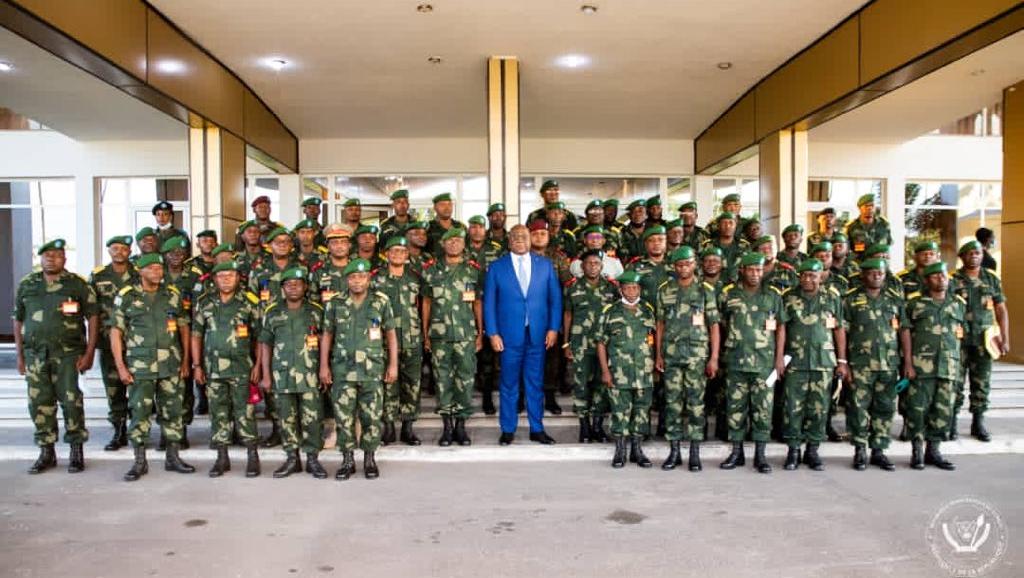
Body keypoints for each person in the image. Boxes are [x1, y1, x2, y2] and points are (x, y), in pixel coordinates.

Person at [15, 239, 98, 474]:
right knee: (39, 404)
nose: (52, 259)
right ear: (40, 258)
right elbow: (18, 319)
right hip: (36, 355)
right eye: (47, 255)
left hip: (69, 356)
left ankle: (76, 450)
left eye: (57, 255)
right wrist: (20, 356)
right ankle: (46, 452)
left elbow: (93, 317)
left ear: (65, 259)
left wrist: (89, 352)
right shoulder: (27, 284)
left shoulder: (77, 285)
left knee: (72, 403)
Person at [110, 253, 194, 481]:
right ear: (140, 271)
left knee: (173, 411)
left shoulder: (172, 295)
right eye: (152, 268)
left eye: (159, 268)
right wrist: (121, 367)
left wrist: (185, 360)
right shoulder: (127, 296)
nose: (158, 272)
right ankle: (139, 461)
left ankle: (173, 457)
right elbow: (116, 332)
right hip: (140, 366)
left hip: (170, 364)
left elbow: (184, 327)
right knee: (140, 413)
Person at [320, 258, 399, 480]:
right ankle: (347, 461)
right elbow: (327, 335)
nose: (357, 281)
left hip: (372, 369)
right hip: (343, 370)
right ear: (347, 279)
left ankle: (369, 459)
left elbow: (390, 334)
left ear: (368, 279)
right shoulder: (335, 303)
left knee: (371, 417)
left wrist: (393, 364)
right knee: (343, 418)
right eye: (353, 277)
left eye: (361, 277)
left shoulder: (381, 301)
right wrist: (324, 366)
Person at [484, 224, 562, 446]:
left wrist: (553, 328)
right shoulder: (497, 267)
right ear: (509, 241)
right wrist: (493, 333)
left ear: (530, 240)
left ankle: (537, 429)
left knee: (535, 384)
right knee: (508, 384)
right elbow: (489, 303)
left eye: (524, 236)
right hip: (508, 336)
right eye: (515, 236)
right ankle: (508, 429)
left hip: (538, 335)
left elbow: (555, 300)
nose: (520, 239)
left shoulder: (545, 265)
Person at [191, 260, 262, 477]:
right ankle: (222, 458)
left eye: (230, 275)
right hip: (213, 370)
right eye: (221, 276)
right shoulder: (205, 302)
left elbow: (260, 337)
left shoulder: (248, 302)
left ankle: (252, 457)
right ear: (214, 279)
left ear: (238, 278)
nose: (226, 279)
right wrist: (197, 365)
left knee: (245, 413)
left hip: (242, 368)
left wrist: (258, 364)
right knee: (218, 413)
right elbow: (196, 335)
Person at [718, 253, 787, 474]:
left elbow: (781, 327)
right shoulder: (728, 294)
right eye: (751, 269)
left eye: (759, 269)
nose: (755, 273)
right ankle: (736, 453)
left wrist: (779, 358)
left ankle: (760, 455)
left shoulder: (773, 295)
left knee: (763, 409)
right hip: (736, 361)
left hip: (764, 363)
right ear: (742, 270)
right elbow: (720, 324)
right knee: (735, 409)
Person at [655, 246, 720, 471]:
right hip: (672, 355)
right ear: (674, 267)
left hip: (696, 356)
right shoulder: (665, 290)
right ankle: (674, 452)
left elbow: (714, 325)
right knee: (672, 403)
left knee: (696, 404)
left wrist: (714, 357)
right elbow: (660, 324)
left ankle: (694, 451)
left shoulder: (705, 290)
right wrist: (658, 354)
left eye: (688, 264)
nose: (684, 268)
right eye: (680, 265)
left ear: (695, 264)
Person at [258, 266, 327, 479]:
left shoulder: (316, 311)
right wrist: (266, 375)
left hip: (309, 374)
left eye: (298, 284)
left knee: (312, 419)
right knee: (286, 418)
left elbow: (326, 341)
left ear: (305, 287)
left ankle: (313, 459)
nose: (294, 288)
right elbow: (265, 344)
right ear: (283, 288)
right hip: (282, 375)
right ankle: (292, 459)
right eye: (289, 285)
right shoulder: (272, 312)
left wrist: (324, 368)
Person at [779, 259, 846, 471]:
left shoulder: (832, 297)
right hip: (795, 362)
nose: (808, 279)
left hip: (823, 362)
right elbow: (781, 328)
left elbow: (839, 329)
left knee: (819, 408)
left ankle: (812, 450)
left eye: (813, 275)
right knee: (792, 407)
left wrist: (842, 361)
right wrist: (779, 358)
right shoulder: (788, 297)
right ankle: (793, 451)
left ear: (820, 276)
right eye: (804, 275)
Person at [840, 257, 905, 471]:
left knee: (885, 408)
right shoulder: (850, 299)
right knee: (858, 408)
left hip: (888, 364)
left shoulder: (895, 299)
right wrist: (844, 362)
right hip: (860, 364)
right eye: (872, 272)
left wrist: (906, 361)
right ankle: (860, 449)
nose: (877, 276)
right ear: (863, 275)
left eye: (881, 273)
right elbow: (842, 332)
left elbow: (903, 330)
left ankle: (879, 450)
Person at [423, 227, 483, 446]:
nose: (454, 244)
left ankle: (461, 426)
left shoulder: (472, 270)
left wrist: (480, 333)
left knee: (465, 379)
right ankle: (447, 427)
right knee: (442, 380)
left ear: (464, 244)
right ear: (443, 244)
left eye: (458, 240)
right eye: (449, 241)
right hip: (439, 336)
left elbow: (477, 303)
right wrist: (425, 333)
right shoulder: (431, 270)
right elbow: (426, 303)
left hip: (465, 334)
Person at [902, 262, 964, 471]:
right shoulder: (915, 304)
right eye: (935, 276)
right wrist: (908, 363)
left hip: (949, 366)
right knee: (918, 409)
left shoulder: (957, 304)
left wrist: (959, 365)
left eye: (943, 275)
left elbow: (962, 335)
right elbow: (905, 332)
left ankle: (934, 451)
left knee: (942, 410)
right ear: (927, 280)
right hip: (922, 367)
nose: (941, 279)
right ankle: (917, 450)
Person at [597, 270, 656, 468]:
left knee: (641, 411)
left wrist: (656, 364)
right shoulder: (610, 312)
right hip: (619, 372)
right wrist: (605, 371)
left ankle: (637, 450)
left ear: (639, 289)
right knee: (619, 411)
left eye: (635, 288)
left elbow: (655, 339)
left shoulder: (648, 310)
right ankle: (620, 451)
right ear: (621, 290)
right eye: (627, 288)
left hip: (643, 371)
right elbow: (601, 343)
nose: (631, 291)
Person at [951, 240, 1009, 442]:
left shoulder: (991, 278)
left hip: (984, 340)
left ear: (982, 255)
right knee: (955, 383)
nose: (974, 256)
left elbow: (1001, 309)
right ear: (962, 257)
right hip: (959, 340)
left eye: (977, 253)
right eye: (970, 253)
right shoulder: (952, 279)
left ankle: (978, 422)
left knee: (981, 383)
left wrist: (1005, 338)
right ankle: (952, 422)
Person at [372, 237, 425, 444]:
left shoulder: (415, 277)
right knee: (388, 383)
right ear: (386, 254)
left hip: (412, 338)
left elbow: (422, 305)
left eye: (402, 251)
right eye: (393, 251)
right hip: (385, 341)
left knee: (412, 384)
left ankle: (408, 427)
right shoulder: (376, 279)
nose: (397, 255)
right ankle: (388, 427)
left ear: (407, 255)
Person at [563, 249, 619, 443]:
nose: (593, 266)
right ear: (582, 266)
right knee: (581, 384)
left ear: (602, 266)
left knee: (602, 384)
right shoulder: (573, 287)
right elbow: (568, 315)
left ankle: (597, 425)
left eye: (596, 263)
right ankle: (584, 426)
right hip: (581, 344)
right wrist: (566, 342)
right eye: (589, 263)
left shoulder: (611, 288)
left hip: (605, 344)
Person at [89, 235, 138, 451]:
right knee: (113, 388)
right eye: (115, 248)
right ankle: (119, 430)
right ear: (109, 251)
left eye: (124, 248)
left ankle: (138, 429)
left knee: (138, 387)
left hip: (136, 341)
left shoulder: (138, 274)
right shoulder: (98, 276)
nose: (119, 252)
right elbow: (91, 310)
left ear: (130, 251)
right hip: (108, 341)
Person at [844, 194, 892, 262]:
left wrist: (885, 255)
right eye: (866, 206)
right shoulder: (851, 227)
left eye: (872, 205)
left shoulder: (884, 224)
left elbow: (888, 245)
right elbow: (846, 252)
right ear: (860, 208)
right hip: (860, 265)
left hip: (881, 265)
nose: (870, 208)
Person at [426, 193, 465, 258]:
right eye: (442, 205)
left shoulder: (461, 227)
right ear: (435, 207)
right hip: (435, 263)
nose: (447, 208)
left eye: (449, 204)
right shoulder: (428, 228)